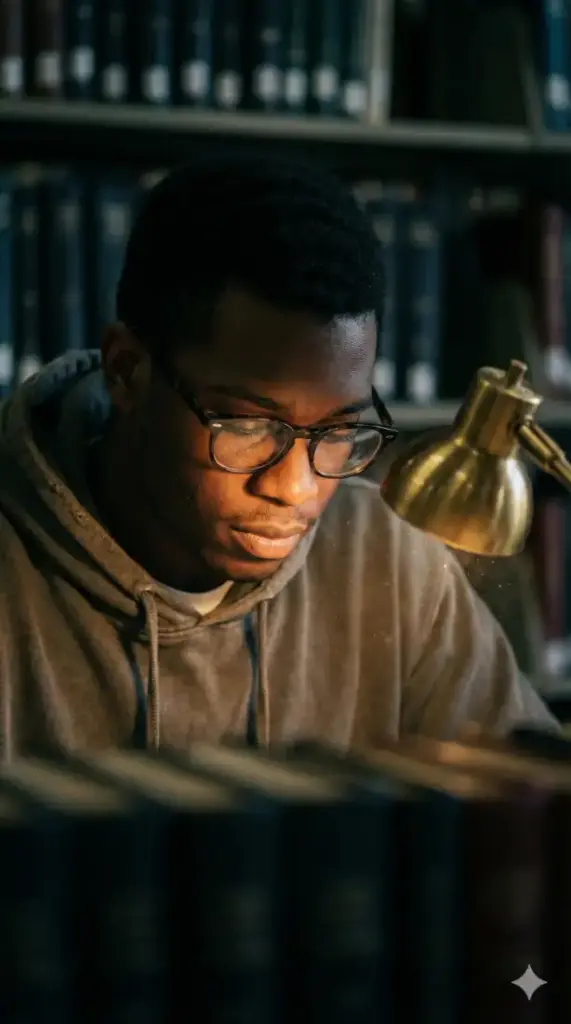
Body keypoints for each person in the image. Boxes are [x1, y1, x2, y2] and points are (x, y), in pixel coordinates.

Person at [0, 153, 556, 758]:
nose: (294, 488)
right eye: (248, 425)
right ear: (127, 372)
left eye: (338, 430)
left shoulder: (391, 568)